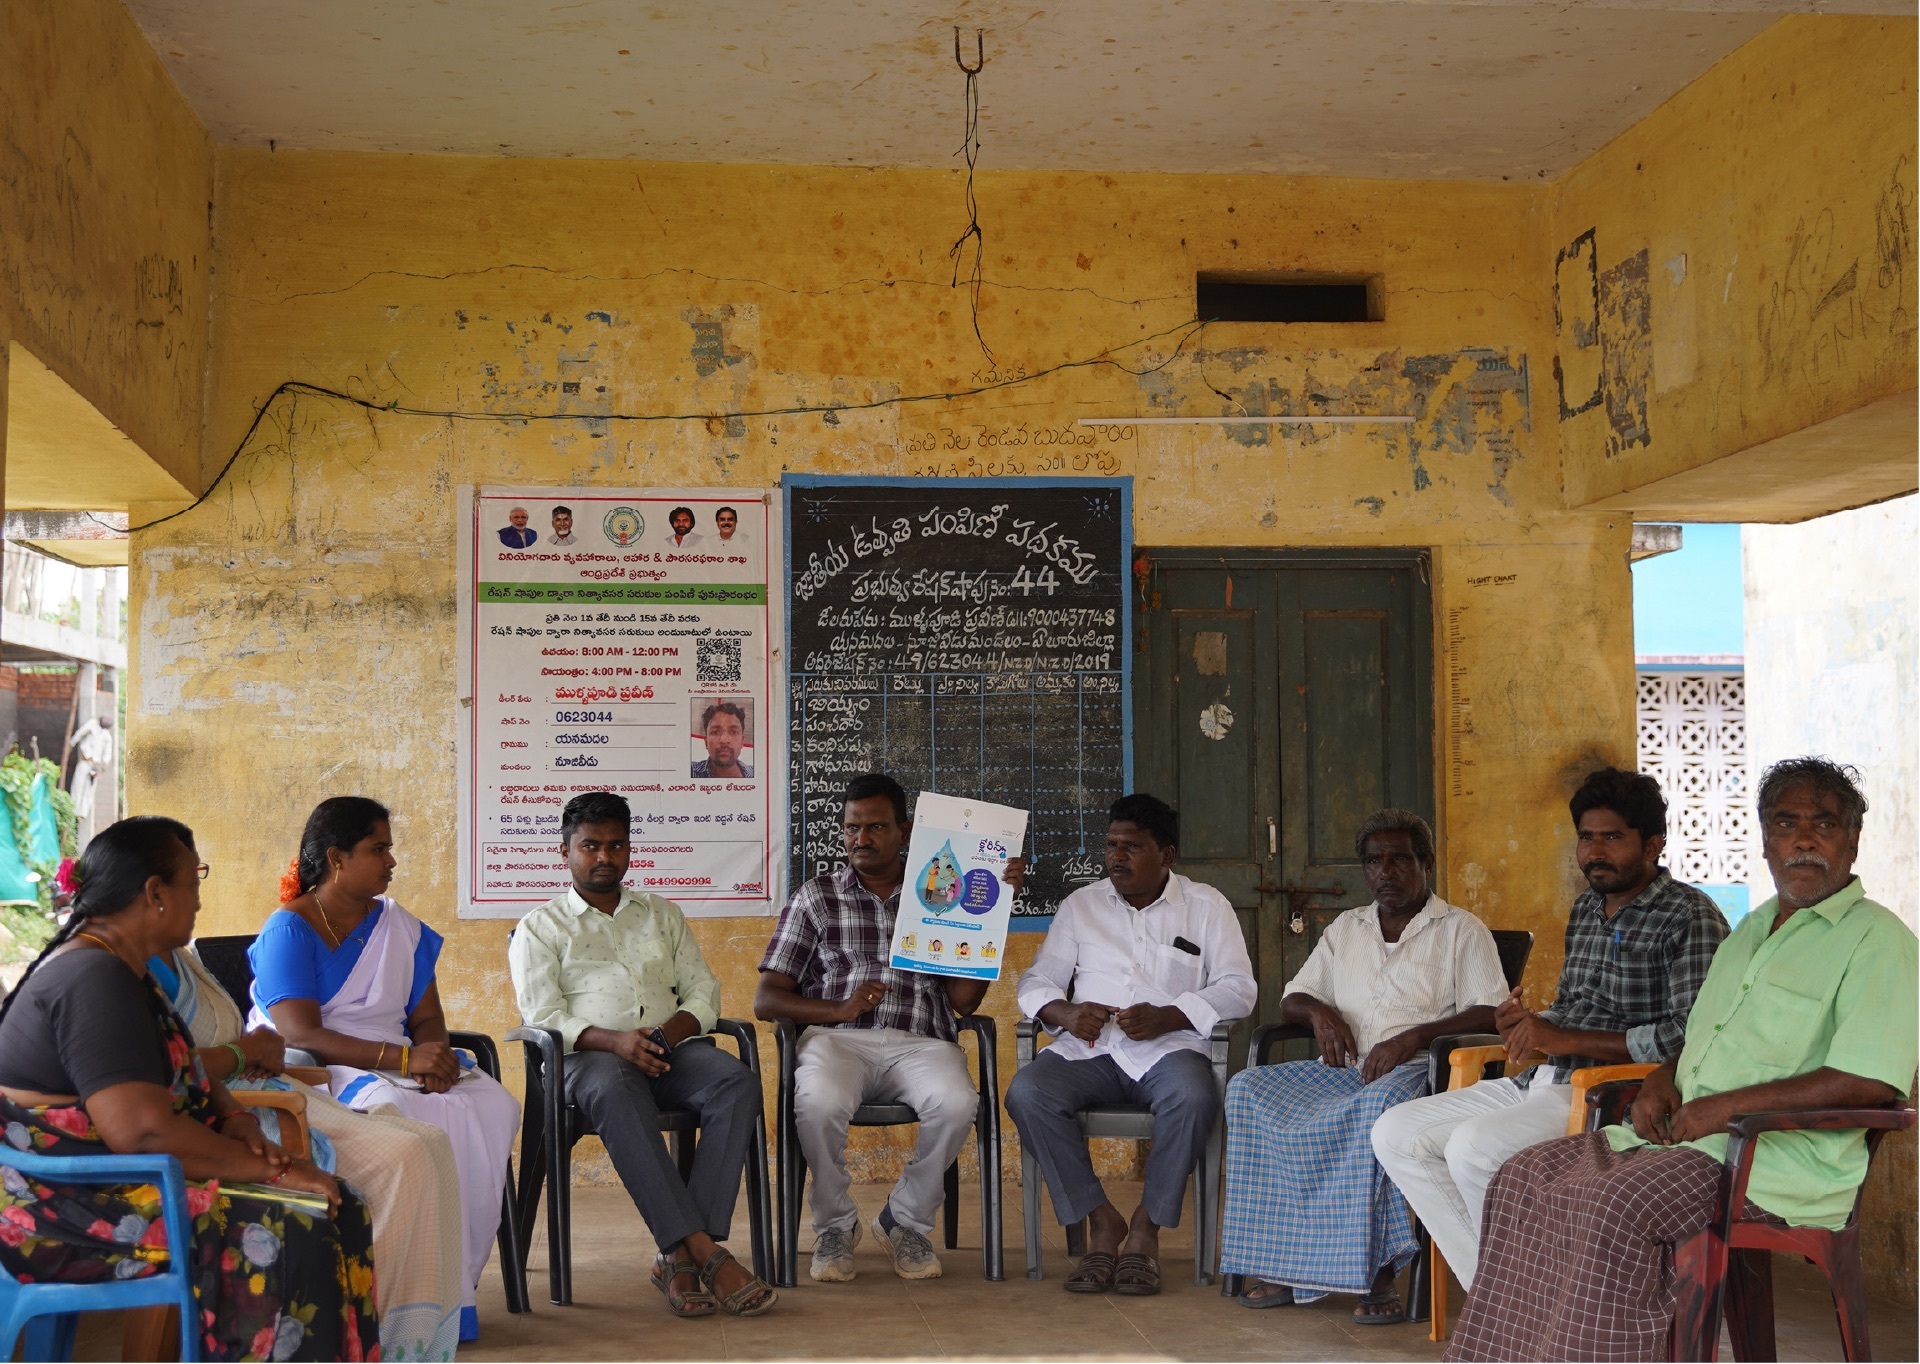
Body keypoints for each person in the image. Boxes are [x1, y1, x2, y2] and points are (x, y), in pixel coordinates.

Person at [1445, 758, 1918, 1362]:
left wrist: (1723, 1109)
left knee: (1606, 1204)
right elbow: (1697, 1036)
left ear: (1852, 839)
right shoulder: (1750, 932)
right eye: (1786, 823)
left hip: (1774, 1164)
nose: (1803, 838)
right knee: (1521, 1180)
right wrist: (1663, 1081)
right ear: (1766, 840)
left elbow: (1869, 1081)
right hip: (1685, 1143)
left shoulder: (1879, 940)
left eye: (1824, 824)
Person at [0, 817, 380, 1362]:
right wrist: (274, 1169)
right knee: (301, 1221)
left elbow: (177, 1072)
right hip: (71, 1207)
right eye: (194, 881)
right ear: (156, 893)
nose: (199, 900)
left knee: (341, 1205)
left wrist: (235, 1120)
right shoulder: (93, 979)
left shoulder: (125, 970)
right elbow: (142, 1130)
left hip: (121, 1183)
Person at [1371, 766, 1728, 1287]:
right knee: (1395, 1132)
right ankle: (1509, 1300)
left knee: (1472, 1148)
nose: (1595, 852)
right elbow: (1573, 1006)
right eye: (1586, 837)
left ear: (1652, 845)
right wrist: (1527, 1022)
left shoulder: (1689, 916)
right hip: (1542, 1081)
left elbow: (1688, 1036)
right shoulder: (1587, 908)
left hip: (1612, 1096)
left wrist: (1562, 1039)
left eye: (1612, 837)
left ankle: (1516, 1306)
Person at [247, 796, 520, 1342]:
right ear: (338, 857)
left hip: (399, 1059)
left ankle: (454, 1293)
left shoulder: (400, 928)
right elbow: (300, 1034)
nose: (392, 861)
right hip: (320, 1070)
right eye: (379, 849)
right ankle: (394, 1293)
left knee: (492, 1103)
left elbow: (428, 1017)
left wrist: (436, 1058)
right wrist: (403, 1060)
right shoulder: (288, 929)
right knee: (394, 1112)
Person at [1222, 809, 1507, 1323]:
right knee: (1247, 1090)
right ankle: (1285, 1263)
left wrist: (1414, 1037)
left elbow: (1490, 1011)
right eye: (1374, 861)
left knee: (1375, 1109)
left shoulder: (1460, 930)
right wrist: (1320, 1013)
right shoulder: (1345, 929)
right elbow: (1294, 998)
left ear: (1427, 863)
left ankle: (1374, 1273)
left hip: (1423, 1071)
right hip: (1344, 1069)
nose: (1385, 871)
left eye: (1399, 859)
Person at [509, 791, 776, 1318]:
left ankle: (678, 1255)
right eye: (590, 846)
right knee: (615, 1084)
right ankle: (702, 1252)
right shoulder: (541, 927)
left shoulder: (662, 915)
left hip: (667, 1049)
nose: (604, 856)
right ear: (564, 851)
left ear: (630, 850)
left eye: (616, 845)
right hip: (587, 1060)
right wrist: (615, 1041)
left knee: (736, 1080)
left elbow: (704, 991)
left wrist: (665, 1035)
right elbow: (543, 1016)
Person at [754, 772, 1023, 1282]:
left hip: (921, 1043)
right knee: (816, 1103)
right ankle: (835, 1224)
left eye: (875, 827)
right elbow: (768, 1000)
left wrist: (990, 912)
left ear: (905, 831)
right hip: (836, 1041)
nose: (861, 839)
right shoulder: (818, 897)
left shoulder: (943, 891)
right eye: (852, 828)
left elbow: (964, 1003)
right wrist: (840, 1010)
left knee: (959, 1102)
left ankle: (904, 1220)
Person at [153, 940, 466, 1360]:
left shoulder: (180, 957)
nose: (196, 898)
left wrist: (254, 1052)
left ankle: (420, 1345)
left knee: (432, 1141)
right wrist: (243, 1053)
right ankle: (385, 1343)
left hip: (259, 1089)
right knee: (401, 1160)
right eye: (190, 882)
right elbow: (167, 1070)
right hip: (244, 1107)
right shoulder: (123, 966)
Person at [1006, 793, 1256, 1297]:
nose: (1116, 856)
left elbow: (1239, 988)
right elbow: (1037, 982)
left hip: (1170, 1050)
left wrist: (1171, 1014)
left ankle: (1145, 1230)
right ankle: (1103, 1222)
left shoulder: (1207, 906)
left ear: (1166, 856)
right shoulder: (1082, 906)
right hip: (1091, 1050)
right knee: (1027, 1092)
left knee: (1194, 1095)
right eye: (1111, 845)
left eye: (1131, 847)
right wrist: (1067, 1013)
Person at [691, 700, 753, 779]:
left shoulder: (759, 775)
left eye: (733, 732)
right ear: (706, 742)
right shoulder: (688, 771)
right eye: (715, 732)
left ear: (742, 741)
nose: (724, 740)